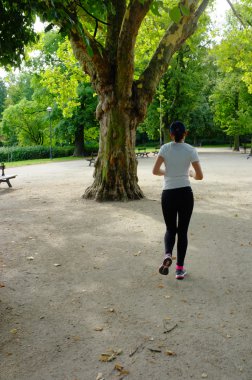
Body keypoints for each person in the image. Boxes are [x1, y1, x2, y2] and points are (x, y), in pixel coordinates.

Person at [152, 121, 203, 280]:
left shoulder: (165, 148)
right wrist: (190, 173)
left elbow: (155, 171)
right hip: (185, 194)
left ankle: (168, 254)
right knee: (182, 232)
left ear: (171, 135)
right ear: (185, 134)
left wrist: (166, 172)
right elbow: (200, 176)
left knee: (170, 229)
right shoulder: (190, 150)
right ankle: (179, 270)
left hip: (168, 194)